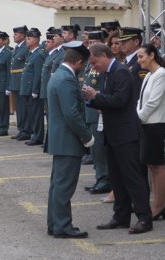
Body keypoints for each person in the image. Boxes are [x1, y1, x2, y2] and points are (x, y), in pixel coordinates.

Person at [83, 43, 153, 235]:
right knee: (117, 178)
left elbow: (120, 100)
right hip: (113, 133)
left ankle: (144, 218)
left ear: (105, 56)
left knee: (133, 178)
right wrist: (95, 99)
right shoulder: (108, 72)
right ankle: (121, 216)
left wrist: (96, 96)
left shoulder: (120, 72)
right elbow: (108, 100)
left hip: (125, 134)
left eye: (95, 62)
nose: (94, 67)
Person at [46, 41, 95, 239]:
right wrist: (87, 136)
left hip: (60, 139)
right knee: (64, 186)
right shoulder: (66, 79)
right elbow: (72, 114)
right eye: (82, 65)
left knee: (58, 185)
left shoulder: (59, 75)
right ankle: (62, 226)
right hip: (68, 140)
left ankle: (54, 223)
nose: (83, 68)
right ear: (78, 61)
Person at [136, 43, 165, 221]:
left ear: (152, 55)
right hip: (146, 124)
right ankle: (156, 203)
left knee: (158, 166)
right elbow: (141, 99)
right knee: (151, 166)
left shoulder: (161, 74)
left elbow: (153, 102)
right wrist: (137, 115)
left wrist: (137, 118)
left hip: (155, 125)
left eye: (141, 56)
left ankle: (159, 206)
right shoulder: (149, 75)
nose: (139, 60)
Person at [82, 31, 110, 195]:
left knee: (100, 148)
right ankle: (100, 177)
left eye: (94, 41)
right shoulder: (89, 61)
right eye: (89, 40)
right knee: (95, 148)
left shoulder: (102, 63)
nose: (90, 43)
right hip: (90, 109)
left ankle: (104, 179)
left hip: (98, 109)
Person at [20, 28, 46, 145]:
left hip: (33, 89)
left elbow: (37, 74)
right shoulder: (32, 54)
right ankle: (34, 134)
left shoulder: (39, 54)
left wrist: (35, 90)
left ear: (36, 40)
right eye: (26, 38)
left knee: (36, 114)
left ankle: (38, 136)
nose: (26, 40)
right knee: (31, 113)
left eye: (29, 38)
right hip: (27, 89)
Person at [9, 25, 29, 139]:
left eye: (16, 34)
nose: (14, 36)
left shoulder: (26, 47)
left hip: (21, 81)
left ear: (22, 35)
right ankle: (21, 129)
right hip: (15, 81)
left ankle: (25, 130)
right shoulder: (17, 47)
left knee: (23, 108)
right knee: (19, 108)